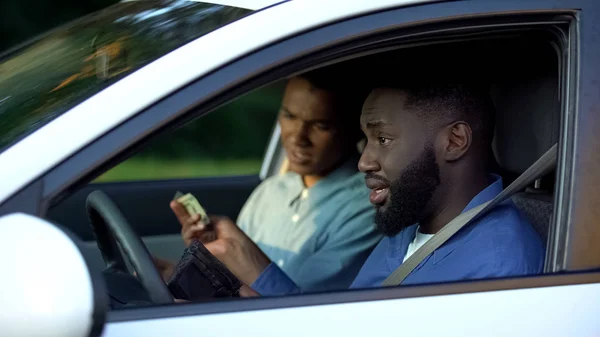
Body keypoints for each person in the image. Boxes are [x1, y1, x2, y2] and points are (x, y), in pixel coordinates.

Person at [178, 82, 545, 296]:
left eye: (383, 138)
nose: (364, 162)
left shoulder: (497, 266)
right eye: (366, 140)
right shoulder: (409, 227)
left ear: (454, 141)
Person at [168, 71, 383, 292]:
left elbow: (302, 310)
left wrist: (241, 255)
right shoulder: (270, 191)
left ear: (356, 131)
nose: (298, 137)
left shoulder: (368, 207)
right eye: (289, 116)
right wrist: (208, 255)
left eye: (321, 125)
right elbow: (227, 281)